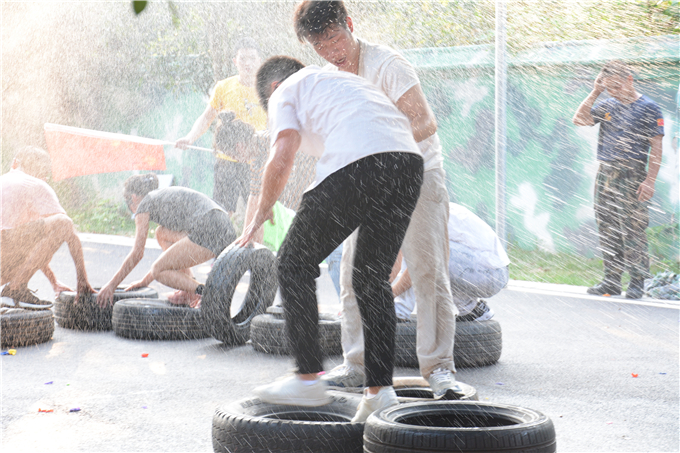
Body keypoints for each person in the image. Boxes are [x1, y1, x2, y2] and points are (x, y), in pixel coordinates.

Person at [237, 56, 423, 422]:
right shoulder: (339, 83)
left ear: (271, 89)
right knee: (371, 279)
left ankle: (307, 377)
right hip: (408, 164)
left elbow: (283, 153)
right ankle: (380, 392)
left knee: (292, 262)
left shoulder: (283, 91)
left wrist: (262, 209)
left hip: (362, 161)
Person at [293, 0, 459, 398]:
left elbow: (424, 121)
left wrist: (376, 148)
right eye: (320, 45)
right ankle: (357, 364)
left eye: (334, 37)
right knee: (355, 273)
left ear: (348, 24)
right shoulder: (329, 79)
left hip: (419, 173)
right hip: (367, 180)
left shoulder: (387, 64)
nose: (332, 51)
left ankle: (439, 370)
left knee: (427, 271)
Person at [573, 60, 664, 299]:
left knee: (633, 229)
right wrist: (595, 92)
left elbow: (656, 147)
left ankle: (636, 281)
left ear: (629, 80)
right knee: (607, 226)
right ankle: (611, 280)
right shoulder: (607, 105)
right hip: (606, 173)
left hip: (633, 174)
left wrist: (650, 181)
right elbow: (580, 120)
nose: (613, 91)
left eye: (616, 86)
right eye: (608, 87)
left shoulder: (649, 108)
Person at [98, 174, 236, 307]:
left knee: (158, 271)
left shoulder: (143, 206)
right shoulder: (160, 197)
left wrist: (111, 285)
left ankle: (206, 293)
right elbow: (172, 254)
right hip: (224, 228)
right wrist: (144, 282)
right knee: (161, 233)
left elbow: (137, 254)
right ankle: (189, 288)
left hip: (211, 229)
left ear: (133, 198)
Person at [175, 37, 267, 221]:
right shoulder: (224, 87)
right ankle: (221, 247)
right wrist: (190, 138)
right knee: (222, 213)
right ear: (235, 61)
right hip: (227, 161)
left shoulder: (268, 88)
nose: (247, 63)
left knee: (258, 213)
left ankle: (257, 248)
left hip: (257, 161)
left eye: (252, 58)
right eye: (242, 58)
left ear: (260, 60)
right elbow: (207, 117)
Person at [1, 146, 94, 308]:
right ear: (44, 174)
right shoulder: (37, 185)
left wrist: (54, 282)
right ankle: (15, 288)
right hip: (6, 254)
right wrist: (82, 281)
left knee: (31, 240)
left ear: (15, 163)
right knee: (63, 223)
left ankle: (15, 287)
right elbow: (66, 229)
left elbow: (32, 246)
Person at [393, 203, 510, 322]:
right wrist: (379, 290)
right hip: (486, 272)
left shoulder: (424, 214)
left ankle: (399, 313)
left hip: (491, 274)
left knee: (426, 254)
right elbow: (395, 263)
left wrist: (389, 296)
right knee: (430, 257)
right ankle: (473, 310)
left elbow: (415, 268)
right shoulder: (414, 211)